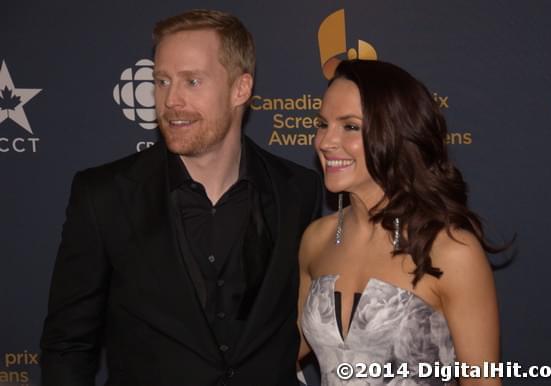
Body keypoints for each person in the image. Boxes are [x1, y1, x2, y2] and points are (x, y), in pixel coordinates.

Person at [40, 9, 321, 386]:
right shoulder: (103, 195)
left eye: (192, 81)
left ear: (240, 89)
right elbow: (67, 346)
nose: (171, 100)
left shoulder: (298, 190)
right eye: (162, 81)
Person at [298, 60, 501, 385]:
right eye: (322, 124)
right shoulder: (317, 239)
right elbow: (278, 353)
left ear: (394, 134)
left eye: (350, 126)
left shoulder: (451, 251)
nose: (325, 141)